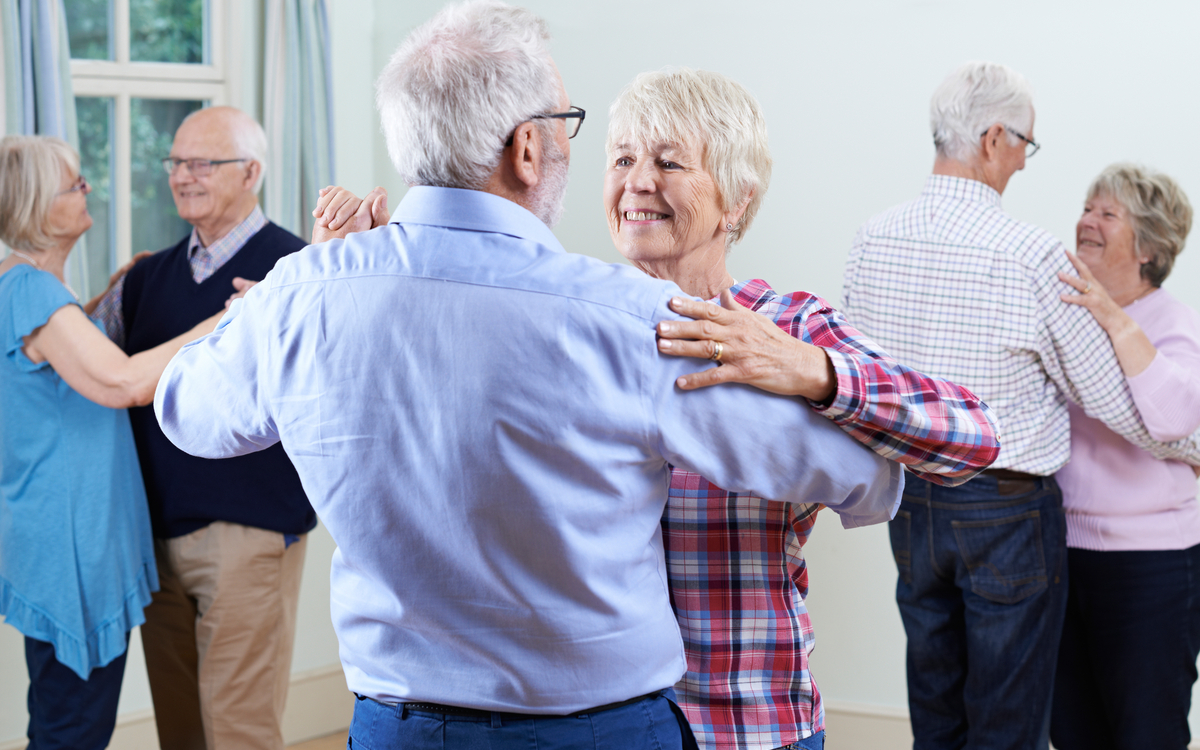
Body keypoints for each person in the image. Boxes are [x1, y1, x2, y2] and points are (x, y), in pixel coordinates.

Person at [152, 3, 904, 750]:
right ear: (526, 150)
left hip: (394, 728)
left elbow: (187, 410)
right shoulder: (629, 319)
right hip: (598, 733)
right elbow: (858, 475)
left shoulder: (302, 292)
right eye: (566, 125)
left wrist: (306, 284)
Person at [601, 68, 999, 750]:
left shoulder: (786, 324)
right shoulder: (580, 324)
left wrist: (811, 371)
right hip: (604, 726)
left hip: (750, 724)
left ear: (737, 199)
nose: (638, 181)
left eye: (668, 161)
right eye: (622, 159)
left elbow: (973, 437)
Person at [841, 61, 1200, 750]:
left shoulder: (872, 238)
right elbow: (1113, 402)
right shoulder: (1030, 255)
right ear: (993, 138)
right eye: (1025, 146)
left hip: (911, 502)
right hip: (1003, 511)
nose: (1025, 166)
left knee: (937, 703)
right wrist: (1187, 449)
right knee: (1009, 722)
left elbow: (860, 380)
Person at [91, 106, 315, 750]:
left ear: (252, 172)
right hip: (154, 536)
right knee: (180, 731)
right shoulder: (144, 277)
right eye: (176, 162)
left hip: (249, 534)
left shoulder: (296, 271)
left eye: (202, 163)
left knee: (238, 730)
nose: (183, 176)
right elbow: (84, 365)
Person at [0, 135, 221, 749]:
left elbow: (52, 362)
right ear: (39, 207)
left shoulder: (20, 287)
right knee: (72, 729)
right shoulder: (35, 295)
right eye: (73, 184)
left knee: (58, 716)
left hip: (50, 532)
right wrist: (230, 319)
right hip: (72, 543)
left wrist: (104, 296)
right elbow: (122, 382)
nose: (85, 189)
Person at [1049, 165, 1200, 750]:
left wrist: (1113, 316)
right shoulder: (1067, 314)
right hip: (1064, 553)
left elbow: (1174, 417)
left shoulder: (1172, 322)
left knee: (1145, 735)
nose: (1087, 220)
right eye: (1088, 207)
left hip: (1152, 566)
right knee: (1073, 730)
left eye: (1108, 214)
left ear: (1149, 247)